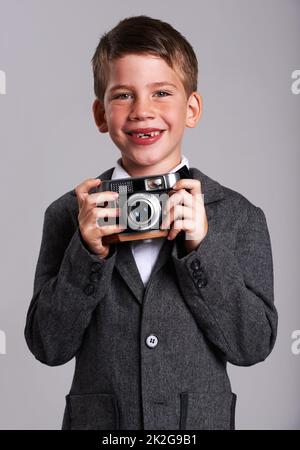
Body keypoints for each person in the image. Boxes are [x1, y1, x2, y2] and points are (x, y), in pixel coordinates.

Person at [24, 15, 278, 430]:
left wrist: (203, 250)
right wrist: (86, 253)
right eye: (123, 95)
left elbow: (252, 346)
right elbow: (47, 345)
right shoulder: (68, 215)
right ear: (100, 114)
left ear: (191, 108)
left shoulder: (237, 215)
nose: (143, 111)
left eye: (162, 92)